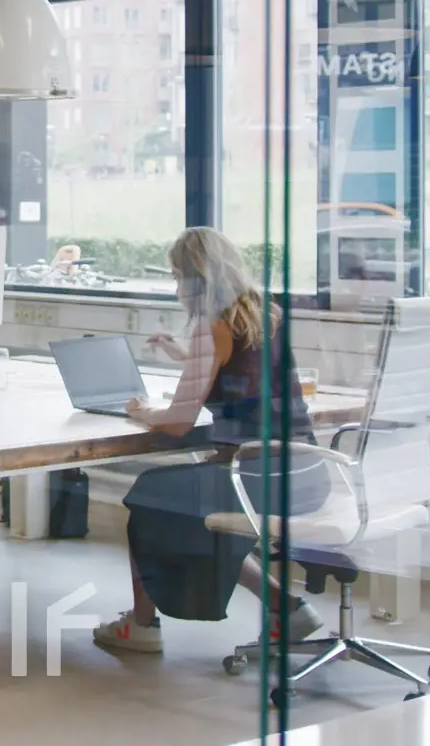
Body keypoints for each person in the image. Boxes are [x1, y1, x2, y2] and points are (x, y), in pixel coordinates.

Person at [92, 227, 327, 655]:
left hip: (256, 475)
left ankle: (141, 625)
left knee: (151, 496)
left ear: (193, 277)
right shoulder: (264, 313)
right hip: (307, 473)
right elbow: (242, 371)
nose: (175, 285)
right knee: (197, 509)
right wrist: (186, 356)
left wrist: (140, 411)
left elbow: (180, 421)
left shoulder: (211, 324)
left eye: (177, 275)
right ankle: (287, 607)